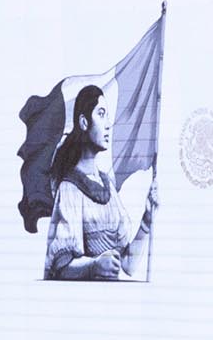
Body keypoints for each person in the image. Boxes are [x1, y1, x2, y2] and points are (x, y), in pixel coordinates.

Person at [43, 84, 155, 279]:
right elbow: (61, 267)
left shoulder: (107, 185)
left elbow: (128, 265)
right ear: (84, 122)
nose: (108, 124)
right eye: (101, 114)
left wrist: (147, 219)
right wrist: (94, 265)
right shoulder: (70, 188)